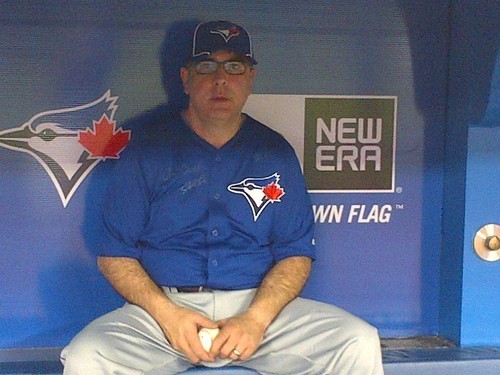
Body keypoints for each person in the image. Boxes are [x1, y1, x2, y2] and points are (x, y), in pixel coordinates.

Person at [61, 20, 384, 375]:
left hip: (258, 311)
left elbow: (296, 253)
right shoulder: (148, 150)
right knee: (87, 356)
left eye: (234, 67)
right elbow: (114, 254)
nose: (221, 80)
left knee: (357, 340)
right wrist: (168, 316)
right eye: (206, 66)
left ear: (250, 77)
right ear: (185, 78)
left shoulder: (275, 152)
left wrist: (256, 319)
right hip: (164, 313)